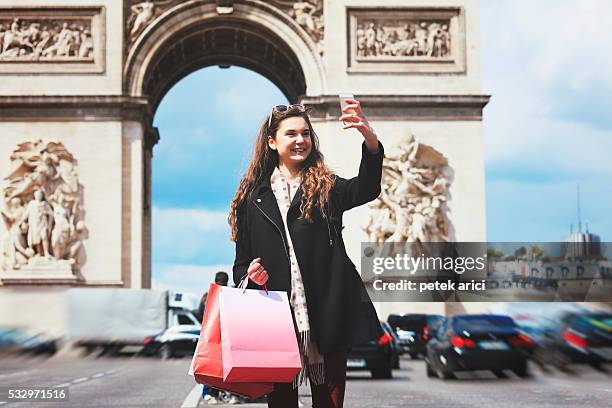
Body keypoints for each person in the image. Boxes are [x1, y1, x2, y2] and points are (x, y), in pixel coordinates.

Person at [228, 99, 384, 408]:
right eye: (291, 134)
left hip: (328, 310)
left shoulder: (326, 188)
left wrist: (370, 139)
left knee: (329, 402)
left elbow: (367, 188)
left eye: (306, 133)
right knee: (282, 403)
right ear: (272, 141)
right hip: (278, 318)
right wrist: (250, 274)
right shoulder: (251, 199)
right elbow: (240, 264)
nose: (300, 140)